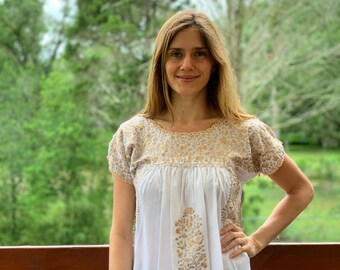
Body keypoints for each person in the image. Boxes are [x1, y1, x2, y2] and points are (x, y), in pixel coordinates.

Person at [107, 9, 314, 270]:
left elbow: (301, 190)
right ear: (161, 62)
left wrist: (257, 241)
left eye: (199, 54)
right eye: (176, 54)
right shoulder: (132, 136)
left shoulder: (244, 132)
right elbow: (122, 233)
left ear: (215, 63)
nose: (187, 64)